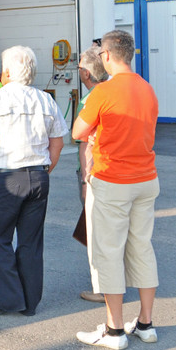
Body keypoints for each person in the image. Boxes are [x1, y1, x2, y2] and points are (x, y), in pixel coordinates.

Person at [73, 30, 160, 350]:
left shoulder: (103, 92)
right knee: (142, 247)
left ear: (107, 56)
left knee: (109, 252)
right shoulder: (147, 89)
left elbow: (78, 131)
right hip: (146, 177)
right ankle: (146, 324)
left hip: (113, 179)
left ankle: (114, 330)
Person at [0, 46, 67, 317]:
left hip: (6, 176)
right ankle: (30, 302)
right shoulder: (46, 100)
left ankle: (10, 299)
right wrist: (46, 169)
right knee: (31, 241)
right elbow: (58, 142)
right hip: (38, 175)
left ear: (6, 71)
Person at [75, 46, 108, 304]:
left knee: (97, 231)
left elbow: (83, 140)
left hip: (97, 172)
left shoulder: (91, 100)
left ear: (86, 72)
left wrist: (86, 179)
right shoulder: (115, 92)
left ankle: (102, 287)